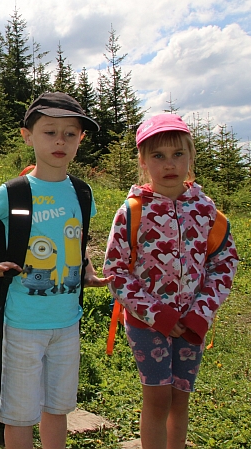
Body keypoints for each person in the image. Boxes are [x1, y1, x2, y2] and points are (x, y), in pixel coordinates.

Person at [0, 92, 110, 449]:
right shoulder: (14, 192)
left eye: (70, 134)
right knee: (19, 415)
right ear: (28, 135)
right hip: (23, 322)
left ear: (80, 140)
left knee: (57, 409)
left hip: (68, 321)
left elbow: (77, 238)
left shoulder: (82, 193)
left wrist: (86, 269)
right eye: (49, 132)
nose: (60, 141)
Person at [102, 113, 238, 449]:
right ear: (144, 161)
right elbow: (115, 270)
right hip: (147, 324)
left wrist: (201, 311)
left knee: (180, 397)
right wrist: (158, 315)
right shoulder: (133, 210)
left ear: (191, 156)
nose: (169, 164)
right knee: (158, 397)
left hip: (192, 323)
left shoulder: (207, 212)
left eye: (178, 154)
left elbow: (224, 263)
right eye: (158, 156)